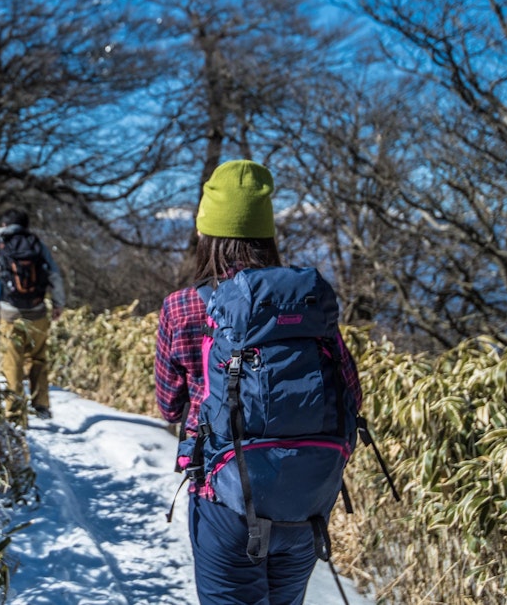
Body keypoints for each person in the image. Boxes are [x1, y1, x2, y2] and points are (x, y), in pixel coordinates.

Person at [154, 160, 363, 605]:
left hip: (223, 498)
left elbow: (169, 407)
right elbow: (351, 394)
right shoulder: (305, 305)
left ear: (205, 234)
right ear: (267, 234)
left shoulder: (182, 307)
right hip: (305, 503)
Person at [0, 208, 66, 425]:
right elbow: (55, 275)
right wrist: (58, 303)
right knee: (38, 358)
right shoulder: (38, 245)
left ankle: (15, 415)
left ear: (4, 225)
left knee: (12, 362)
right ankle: (41, 405)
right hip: (38, 312)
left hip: (10, 314)